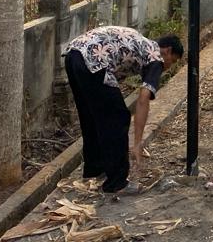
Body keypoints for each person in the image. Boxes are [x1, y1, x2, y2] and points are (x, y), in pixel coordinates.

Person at [64, 27, 184, 193]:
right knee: (118, 117)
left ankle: (95, 169)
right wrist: (137, 143)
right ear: (168, 51)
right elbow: (143, 99)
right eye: (174, 60)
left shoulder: (143, 43)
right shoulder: (156, 57)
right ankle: (117, 182)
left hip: (74, 54)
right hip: (94, 60)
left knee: (92, 115)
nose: (169, 66)